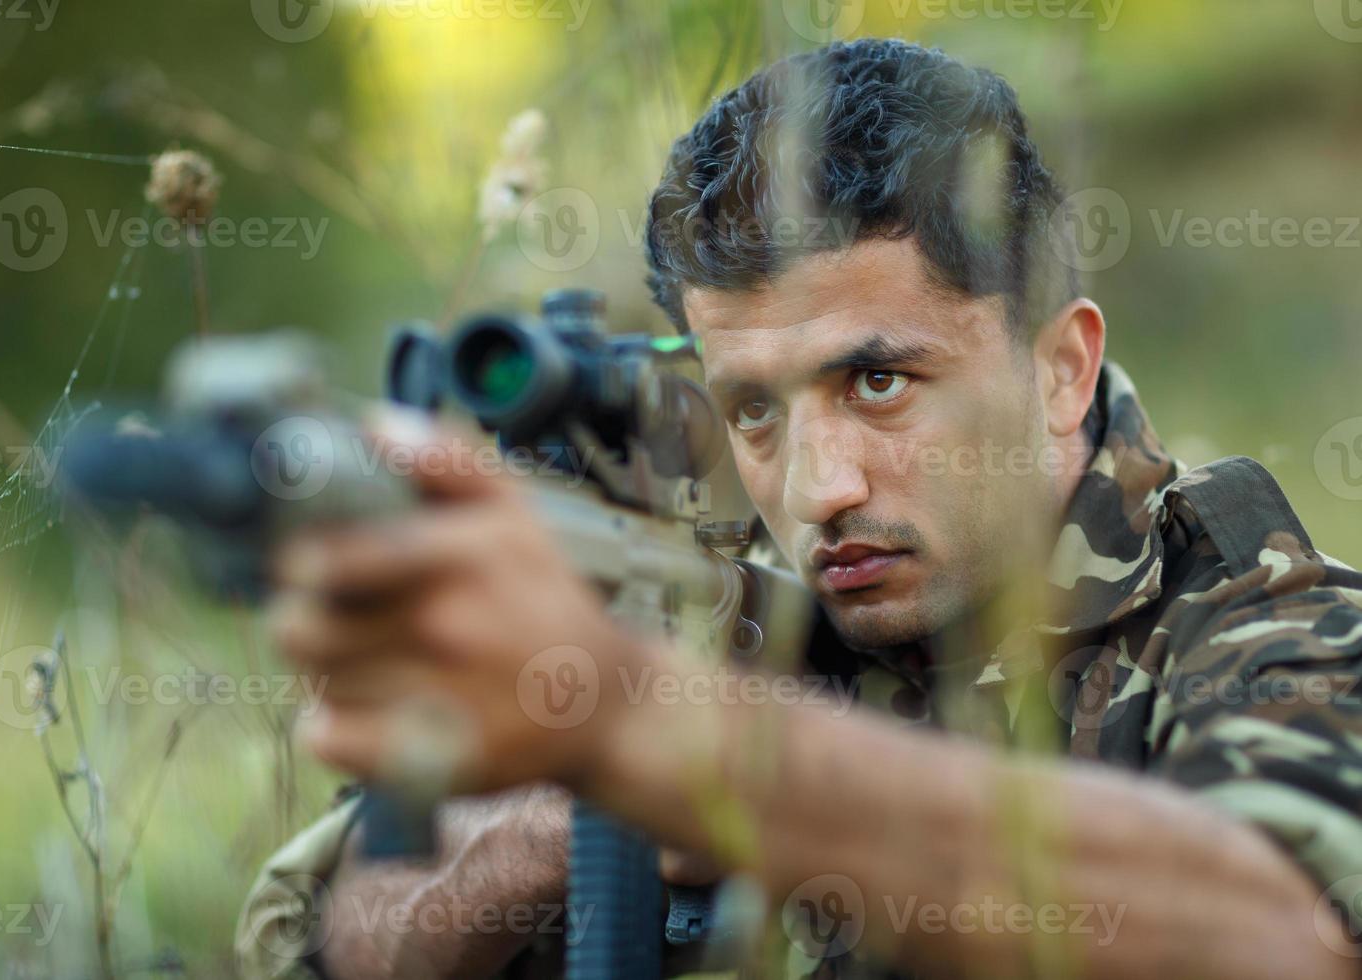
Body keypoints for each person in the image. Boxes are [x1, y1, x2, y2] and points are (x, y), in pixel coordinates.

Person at [239, 37, 1362, 979]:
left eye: (877, 382)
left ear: (1061, 368)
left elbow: (1287, 935)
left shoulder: (1270, 632)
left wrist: (682, 748)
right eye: (754, 410)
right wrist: (562, 822)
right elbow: (311, 933)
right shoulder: (725, 631)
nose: (820, 487)